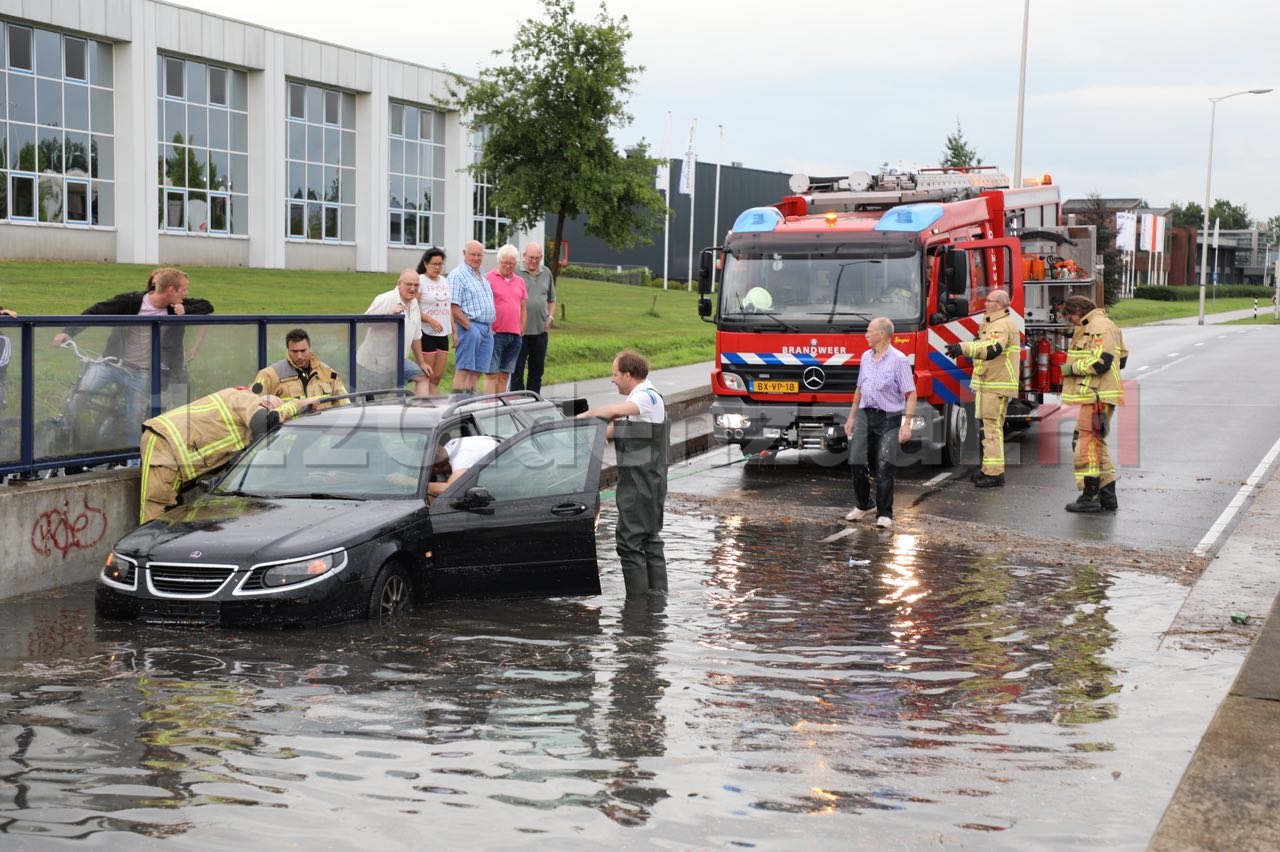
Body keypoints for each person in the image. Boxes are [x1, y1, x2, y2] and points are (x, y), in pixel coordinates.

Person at [51, 267, 213, 429]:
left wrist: (186, 310)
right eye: (184, 289)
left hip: (139, 373)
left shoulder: (174, 307)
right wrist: (68, 332)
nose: (186, 293)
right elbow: (97, 311)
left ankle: (132, 453)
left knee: (134, 422)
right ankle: (63, 434)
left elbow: (207, 306)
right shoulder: (131, 301)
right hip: (110, 362)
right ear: (171, 290)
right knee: (79, 397)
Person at [138, 388, 315, 523]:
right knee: (154, 517)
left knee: (170, 517)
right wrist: (295, 405)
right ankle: (141, 563)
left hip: (177, 454)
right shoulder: (246, 399)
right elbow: (265, 421)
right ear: (267, 404)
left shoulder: (241, 426)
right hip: (164, 442)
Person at [578, 350, 669, 597]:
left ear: (628, 375)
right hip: (647, 483)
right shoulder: (645, 401)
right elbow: (633, 431)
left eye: (615, 374)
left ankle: (637, 607)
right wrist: (601, 434)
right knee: (649, 539)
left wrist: (581, 419)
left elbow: (611, 411)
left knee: (629, 543)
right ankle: (657, 599)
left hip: (640, 485)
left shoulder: (646, 398)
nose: (612, 379)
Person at [843, 316, 918, 530]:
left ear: (881, 334)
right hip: (866, 415)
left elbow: (911, 393)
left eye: (869, 331)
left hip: (888, 418)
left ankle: (884, 513)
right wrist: (851, 417)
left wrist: (907, 424)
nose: (866, 335)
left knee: (884, 465)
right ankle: (864, 504)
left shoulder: (899, 360)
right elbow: (859, 388)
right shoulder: (866, 357)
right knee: (856, 462)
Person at [944, 288, 1018, 487]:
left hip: (996, 384)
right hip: (990, 382)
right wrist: (963, 347)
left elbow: (992, 350)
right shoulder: (991, 324)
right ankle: (988, 469)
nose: (985, 304)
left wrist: (963, 348)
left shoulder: (1000, 325)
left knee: (991, 430)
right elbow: (982, 345)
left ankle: (994, 474)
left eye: (990, 301)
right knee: (987, 429)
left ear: (1000, 304)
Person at [1060, 294, 1126, 513]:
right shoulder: (1104, 324)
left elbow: (1102, 361)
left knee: (1084, 444)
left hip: (1096, 395)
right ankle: (1108, 497)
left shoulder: (1097, 326)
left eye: (1069, 316)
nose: (1070, 321)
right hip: (1098, 393)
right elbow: (1122, 358)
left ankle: (1091, 496)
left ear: (1077, 310)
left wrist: (1073, 368)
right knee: (1096, 444)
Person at [355, 269, 433, 397]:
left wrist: (422, 362)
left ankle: (420, 412)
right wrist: (389, 315)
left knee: (422, 376)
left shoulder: (414, 303)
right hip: (374, 364)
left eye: (416, 285)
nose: (413, 289)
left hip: (398, 361)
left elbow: (416, 337)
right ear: (399, 283)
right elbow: (364, 322)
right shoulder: (385, 299)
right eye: (409, 284)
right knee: (376, 404)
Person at [252, 328, 349, 409]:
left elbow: (344, 405)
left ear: (309, 348)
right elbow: (253, 406)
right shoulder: (268, 375)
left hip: (324, 429)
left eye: (303, 351)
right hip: (287, 431)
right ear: (288, 350)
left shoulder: (328, 373)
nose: (299, 356)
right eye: (294, 351)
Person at [448, 240, 496, 397]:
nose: (476, 258)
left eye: (479, 255)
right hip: (468, 327)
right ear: (464, 254)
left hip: (486, 328)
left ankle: (470, 403)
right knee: (464, 369)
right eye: (472, 254)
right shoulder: (457, 275)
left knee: (476, 371)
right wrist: (470, 327)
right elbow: (453, 306)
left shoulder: (482, 274)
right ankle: (457, 404)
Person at [512, 242, 556, 394]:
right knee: (516, 370)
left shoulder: (546, 273)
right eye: (531, 257)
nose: (534, 261)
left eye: (538, 258)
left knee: (537, 370)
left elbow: (552, 298)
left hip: (540, 330)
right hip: (520, 331)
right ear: (524, 256)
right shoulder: (515, 271)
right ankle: (517, 402)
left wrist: (550, 316)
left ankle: (533, 401)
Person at [484, 244, 527, 394]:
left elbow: (522, 307)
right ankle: (488, 406)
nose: (508, 266)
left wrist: (521, 329)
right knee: (491, 373)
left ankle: (501, 406)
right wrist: (488, 327)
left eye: (511, 263)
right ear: (499, 261)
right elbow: (483, 304)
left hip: (514, 335)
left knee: (504, 374)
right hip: (496, 334)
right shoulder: (488, 278)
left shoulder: (520, 281)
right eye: (505, 262)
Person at [416, 246, 452, 395]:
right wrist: (429, 320)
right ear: (426, 263)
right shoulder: (419, 280)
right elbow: (414, 308)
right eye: (434, 264)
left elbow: (448, 307)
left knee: (436, 378)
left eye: (440, 264)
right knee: (426, 375)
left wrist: (454, 332)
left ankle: (434, 407)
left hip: (443, 333)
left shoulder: (444, 280)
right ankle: (419, 406)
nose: (437, 267)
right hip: (427, 333)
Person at [426, 435, 500, 499]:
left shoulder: (461, 459)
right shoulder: (450, 446)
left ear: (436, 469)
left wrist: (420, 486)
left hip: (505, 461)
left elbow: (451, 490)